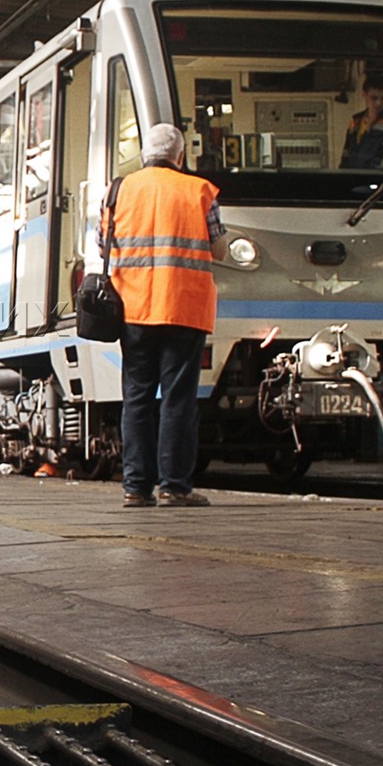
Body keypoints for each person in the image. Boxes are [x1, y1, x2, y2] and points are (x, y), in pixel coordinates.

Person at [105, 123, 228, 508]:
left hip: (135, 308)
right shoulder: (201, 191)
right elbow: (220, 250)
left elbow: (102, 243)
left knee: (137, 398)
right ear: (179, 157)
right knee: (177, 399)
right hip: (184, 307)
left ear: (145, 155)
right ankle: (175, 487)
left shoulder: (118, 190)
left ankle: (135, 489)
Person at [340, 75, 383, 169]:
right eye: (374, 98)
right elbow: (346, 156)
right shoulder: (355, 122)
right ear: (364, 95)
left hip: (379, 180)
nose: (379, 103)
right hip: (354, 178)